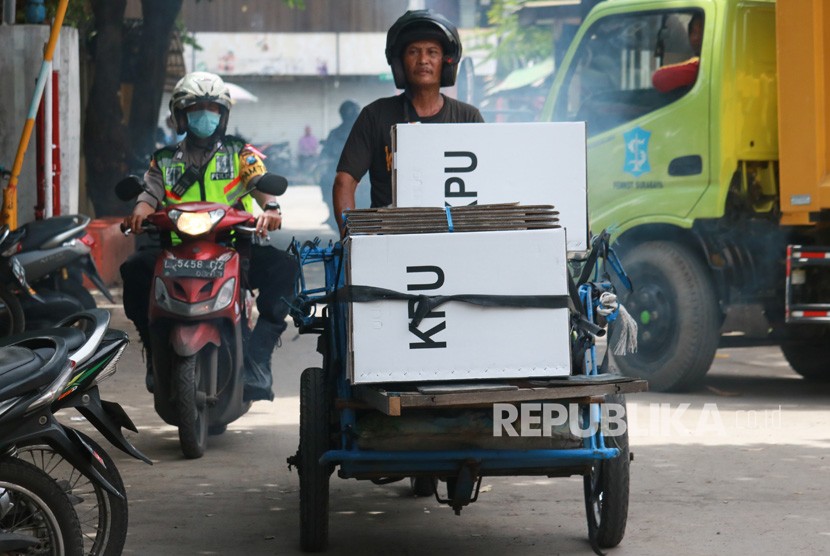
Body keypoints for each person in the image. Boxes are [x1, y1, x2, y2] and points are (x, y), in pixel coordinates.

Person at [120, 71, 298, 402]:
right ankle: (152, 345)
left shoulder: (239, 153)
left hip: (235, 249)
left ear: (223, 114)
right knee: (134, 269)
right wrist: (140, 213)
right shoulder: (164, 161)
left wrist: (271, 209)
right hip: (176, 253)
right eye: (196, 107)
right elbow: (148, 195)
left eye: (212, 108)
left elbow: (260, 185)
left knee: (285, 267)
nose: (205, 115)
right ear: (180, 115)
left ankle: (258, 358)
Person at [332, 9, 484, 234]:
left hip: (456, 240)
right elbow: (345, 182)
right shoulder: (375, 116)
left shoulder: (468, 118)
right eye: (414, 52)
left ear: (446, 62)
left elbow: (488, 184)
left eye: (432, 52)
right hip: (390, 239)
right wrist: (350, 239)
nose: (423, 60)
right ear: (400, 62)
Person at [318, 100, 366, 231]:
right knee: (325, 181)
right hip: (338, 170)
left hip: (363, 172)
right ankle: (332, 213)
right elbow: (326, 153)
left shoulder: (365, 130)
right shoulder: (335, 133)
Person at [652, 12, 703, 93]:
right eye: (693, 32)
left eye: (701, 31)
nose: (695, 38)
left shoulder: (701, 65)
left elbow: (659, 78)